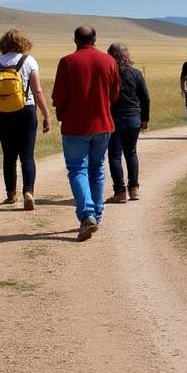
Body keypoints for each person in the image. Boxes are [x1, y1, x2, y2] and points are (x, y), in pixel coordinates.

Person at [52, 26, 119, 241]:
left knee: (77, 170)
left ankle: (88, 214)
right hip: (103, 125)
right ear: (95, 39)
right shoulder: (109, 61)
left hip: (75, 127)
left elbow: (58, 96)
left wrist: (62, 114)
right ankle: (96, 216)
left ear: (75, 40)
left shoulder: (67, 62)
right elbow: (115, 93)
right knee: (97, 168)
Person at [0, 28, 51, 210]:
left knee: (9, 155)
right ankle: (28, 191)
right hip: (26, 110)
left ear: (3, 44)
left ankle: (11, 194)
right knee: (27, 155)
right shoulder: (29, 61)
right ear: (23, 43)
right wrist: (46, 115)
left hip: (3, 112)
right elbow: (37, 91)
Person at [106, 43, 150, 203]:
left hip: (114, 118)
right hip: (133, 118)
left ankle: (120, 192)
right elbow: (145, 97)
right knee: (131, 152)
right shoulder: (136, 73)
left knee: (114, 155)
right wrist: (145, 119)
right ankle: (134, 189)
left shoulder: (109, 73)